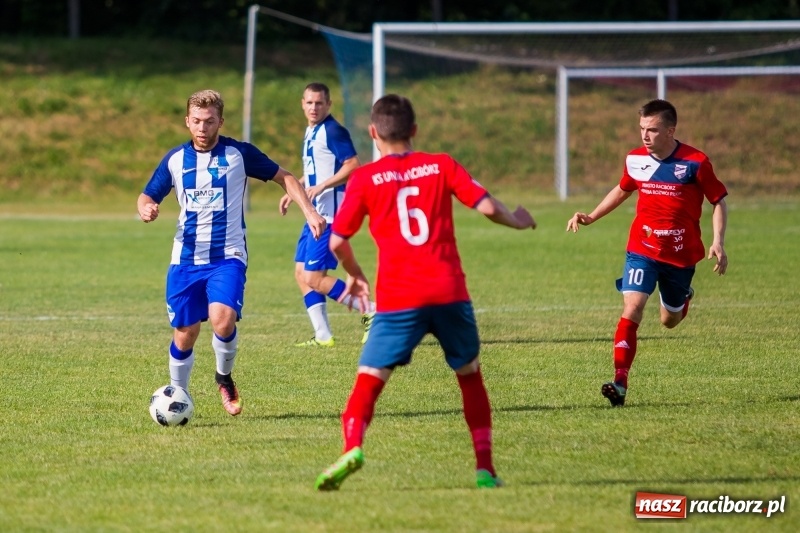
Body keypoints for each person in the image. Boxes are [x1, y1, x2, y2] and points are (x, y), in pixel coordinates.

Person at [313, 94, 537, 491]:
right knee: (469, 376)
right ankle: (484, 469)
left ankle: (352, 447)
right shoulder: (441, 164)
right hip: (449, 291)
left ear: (373, 133)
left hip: (400, 298)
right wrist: (518, 220)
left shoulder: (364, 179)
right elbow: (486, 207)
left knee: (370, 377)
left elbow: (336, 242)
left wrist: (357, 274)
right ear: (414, 130)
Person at [137, 89, 325, 416]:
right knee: (186, 333)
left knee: (222, 320)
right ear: (187, 121)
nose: (202, 128)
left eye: (209, 122)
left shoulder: (239, 154)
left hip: (228, 255)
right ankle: (177, 393)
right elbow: (147, 194)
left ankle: (224, 378)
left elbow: (286, 177)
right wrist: (147, 208)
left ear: (220, 122)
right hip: (185, 259)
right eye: (196, 121)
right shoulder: (176, 160)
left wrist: (309, 211)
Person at [566, 98, 728, 407]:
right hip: (642, 249)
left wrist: (717, 241)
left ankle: (684, 297)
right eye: (641, 128)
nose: (644, 135)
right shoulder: (635, 159)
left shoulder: (695, 162)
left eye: (652, 130)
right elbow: (623, 189)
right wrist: (592, 215)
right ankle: (620, 381)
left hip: (680, 256)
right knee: (633, 308)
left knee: (669, 320)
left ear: (670, 130)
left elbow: (718, 200)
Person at [279, 82, 375, 347]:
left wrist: (322, 186)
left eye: (319, 103)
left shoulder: (333, 130)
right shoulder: (312, 130)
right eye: (309, 102)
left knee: (313, 278)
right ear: (302, 103)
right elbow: (315, 171)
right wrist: (294, 190)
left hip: (330, 215)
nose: (313, 107)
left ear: (328, 105)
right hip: (315, 214)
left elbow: (353, 165)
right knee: (301, 273)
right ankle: (322, 334)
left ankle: (371, 310)